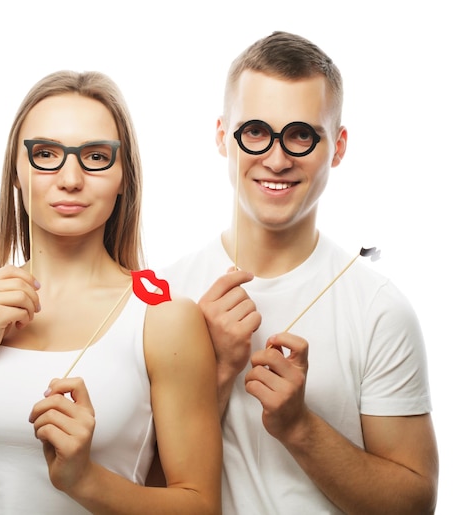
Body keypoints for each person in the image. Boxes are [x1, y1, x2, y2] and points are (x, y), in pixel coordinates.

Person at [0, 70, 222, 514]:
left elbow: (200, 506)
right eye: (46, 154)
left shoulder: (164, 320)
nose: (70, 179)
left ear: (124, 175)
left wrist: (86, 481)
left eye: (95, 156)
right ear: (16, 170)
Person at [161, 31, 438, 514]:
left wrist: (299, 427)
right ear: (223, 135)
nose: (276, 158)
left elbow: (415, 504)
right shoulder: (162, 298)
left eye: (300, 135)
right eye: (255, 132)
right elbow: (128, 487)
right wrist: (216, 374)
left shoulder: (379, 310)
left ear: (338, 146)